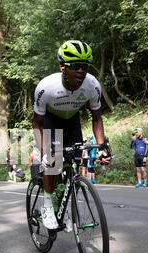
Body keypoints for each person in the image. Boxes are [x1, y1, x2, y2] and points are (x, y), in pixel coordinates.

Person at [32, 40, 111, 231]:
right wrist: (44, 152)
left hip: (72, 122)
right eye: (75, 66)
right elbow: (37, 123)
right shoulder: (46, 88)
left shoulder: (92, 85)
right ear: (62, 67)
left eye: (84, 66)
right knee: (53, 162)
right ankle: (48, 205)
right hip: (50, 122)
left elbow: (97, 119)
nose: (81, 71)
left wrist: (102, 147)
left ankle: (63, 207)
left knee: (70, 167)